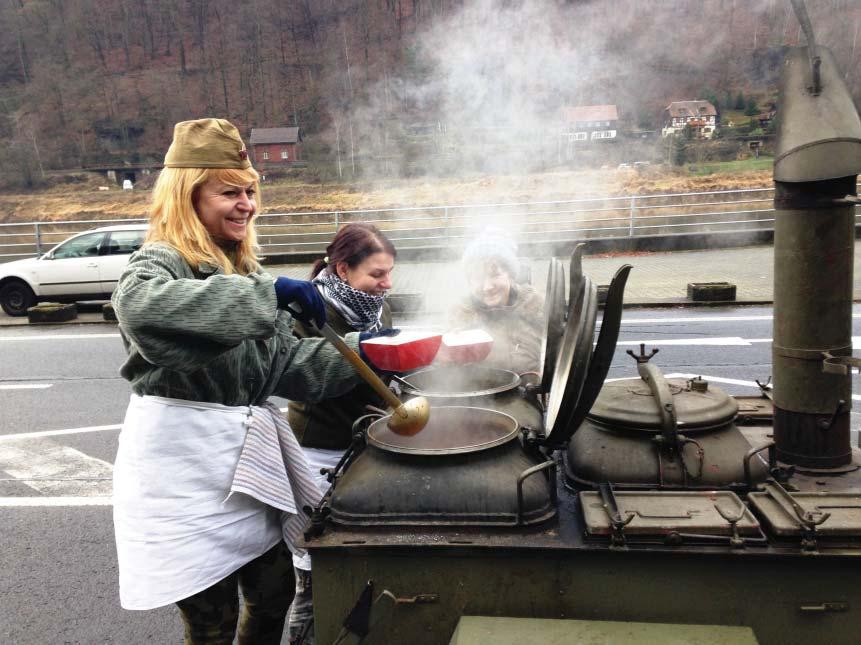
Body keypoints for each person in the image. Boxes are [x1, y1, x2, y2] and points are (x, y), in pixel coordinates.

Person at [110, 118, 391, 645]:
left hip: (244, 465)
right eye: (229, 193)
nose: (246, 204)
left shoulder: (241, 271)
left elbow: (289, 367)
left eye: (250, 191)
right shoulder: (161, 260)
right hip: (184, 470)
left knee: (274, 594)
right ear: (187, 196)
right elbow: (142, 309)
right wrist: (270, 296)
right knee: (209, 621)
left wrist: (369, 353)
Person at [286, 222, 397, 643]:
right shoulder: (310, 309)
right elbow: (305, 379)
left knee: (357, 549)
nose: (385, 284)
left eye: (389, 273)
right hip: (321, 447)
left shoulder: (377, 305)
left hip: (366, 440)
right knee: (315, 563)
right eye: (376, 275)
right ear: (343, 269)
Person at [449, 227, 544, 375]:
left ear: (510, 275)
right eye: (478, 278)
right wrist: (451, 351)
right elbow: (447, 374)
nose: (487, 287)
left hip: (528, 392)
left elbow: (561, 358)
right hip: (478, 394)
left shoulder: (535, 305)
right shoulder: (461, 312)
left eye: (495, 275)